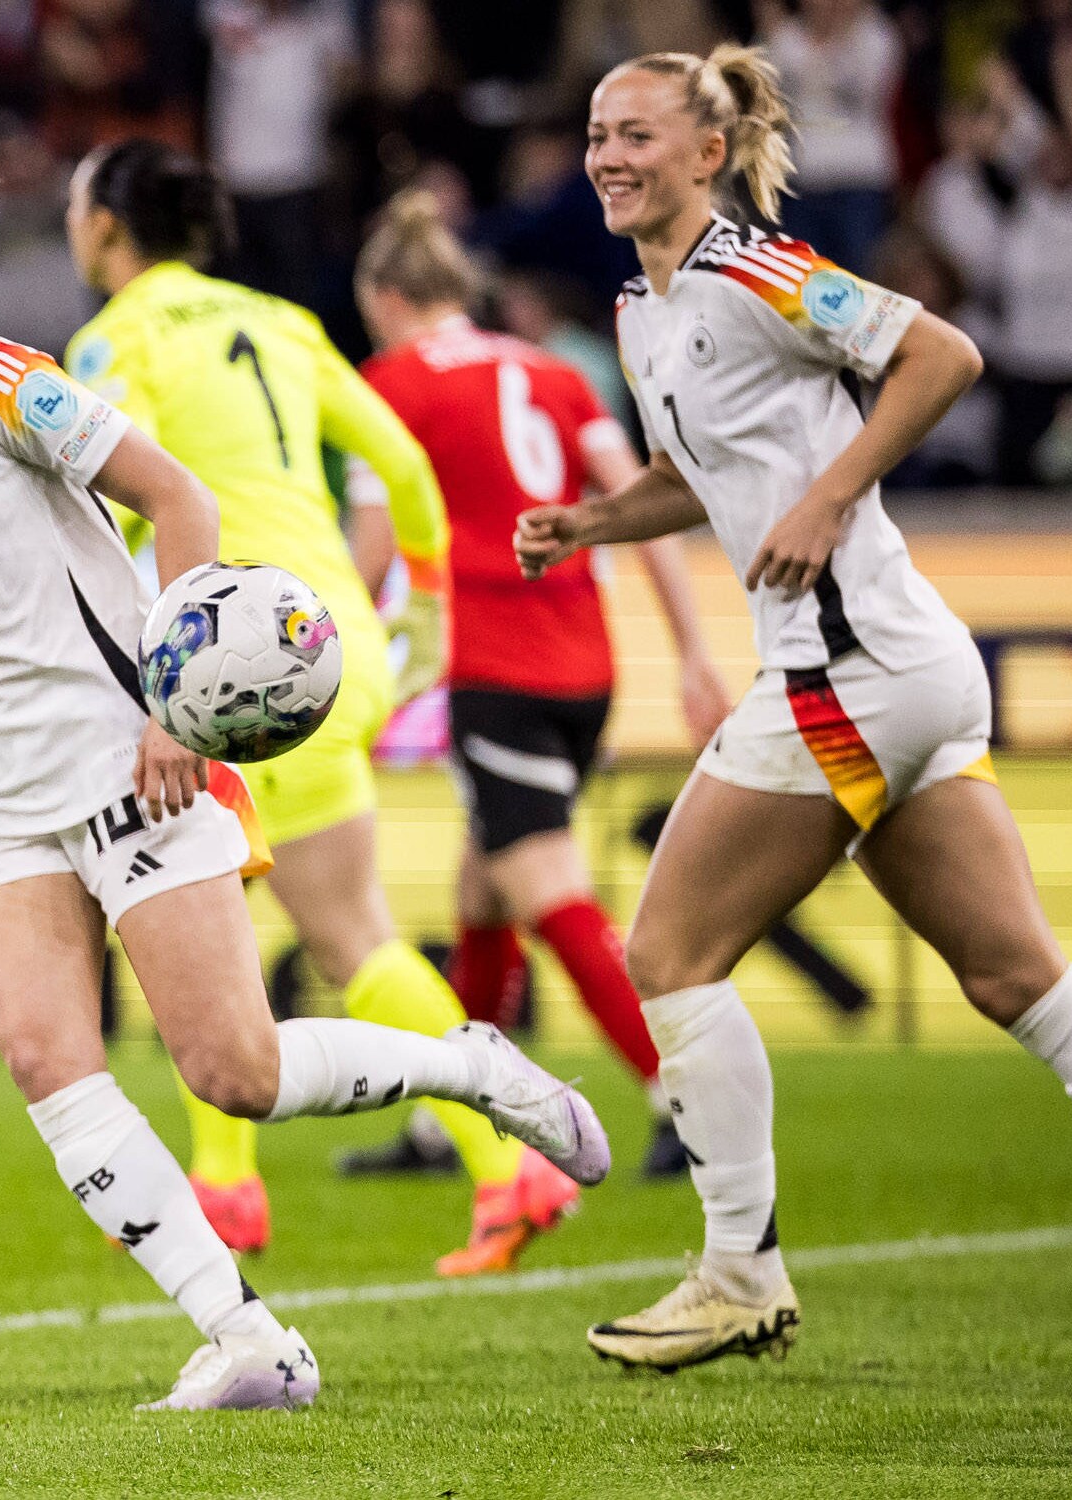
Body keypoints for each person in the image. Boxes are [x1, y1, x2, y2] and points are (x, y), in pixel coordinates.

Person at [0, 135, 609, 1411]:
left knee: (233, 1071)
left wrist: (175, 709)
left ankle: (473, 1070)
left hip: (125, 763)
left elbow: (182, 500)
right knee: (50, 1065)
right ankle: (245, 1336)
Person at [532, 44, 1072, 1376]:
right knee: (1017, 977)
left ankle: (739, 1272)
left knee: (669, 956)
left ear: (707, 153)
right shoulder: (646, 308)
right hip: (898, 666)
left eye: (636, 135)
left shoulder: (756, 269)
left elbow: (942, 354)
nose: (609, 158)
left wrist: (828, 498)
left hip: (846, 669)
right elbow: (713, 471)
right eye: (594, 135)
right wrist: (597, 520)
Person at [60, 140, 575, 1278]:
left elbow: (95, 492)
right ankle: (243, 1185)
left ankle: (487, 1163)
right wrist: (428, 613)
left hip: (219, 666)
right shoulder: (284, 322)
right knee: (342, 931)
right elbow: (399, 460)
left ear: (105, 228)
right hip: (327, 643)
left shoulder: (119, 339)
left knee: (211, 927)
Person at [348, 188, 728, 1184]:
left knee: (544, 885)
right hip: (586, 665)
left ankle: (685, 1099)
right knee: (482, 888)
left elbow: (368, 555)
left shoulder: (390, 383)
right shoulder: (554, 372)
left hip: (493, 665)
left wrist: (341, 664)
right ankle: (450, 1126)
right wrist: (693, 651)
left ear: (383, 297)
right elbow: (642, 498)